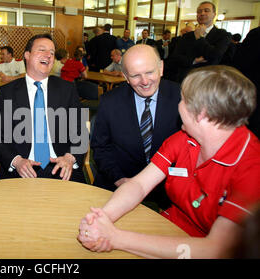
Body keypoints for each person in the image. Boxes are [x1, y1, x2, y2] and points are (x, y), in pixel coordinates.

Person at [79, 65, 260, 258]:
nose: (178, 105)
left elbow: (215, 249)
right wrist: (102, 218)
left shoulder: (252, 168)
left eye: (183, 100)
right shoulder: (185, 138)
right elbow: (139, 185)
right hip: (167, 228)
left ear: (201, 114)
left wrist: (116, 238)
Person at [91, 45, 181, 209]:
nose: (145, 82)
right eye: (135, 75)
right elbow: (100, 147)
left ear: (161, 68)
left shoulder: (183, 97)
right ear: (125, 76)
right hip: (119, 183)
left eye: (149, 72)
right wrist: (119, 179)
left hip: (170, 188)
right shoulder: (109, 101)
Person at [0, 34, 86, 183]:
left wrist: (70, 158)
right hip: (22, 169)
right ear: (26, 55)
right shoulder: (7, 92)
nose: (48, 55)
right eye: (42, 50)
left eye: (52, 53)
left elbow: (80, 131)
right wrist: (16, 161)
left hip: (62, 167)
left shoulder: (67, 89)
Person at [170, 1, 231, 82]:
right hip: (186, 78)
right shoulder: (187, 36)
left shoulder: (223, 35)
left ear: (214, 14)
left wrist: (200, 38)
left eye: (206, 10)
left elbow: (215, 55)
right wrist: (194, 61)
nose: (202, 13)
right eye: (199, 11)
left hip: (208, 80)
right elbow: (176, 57)